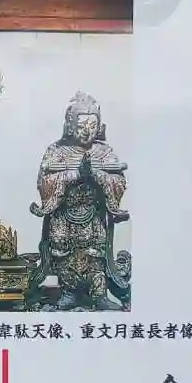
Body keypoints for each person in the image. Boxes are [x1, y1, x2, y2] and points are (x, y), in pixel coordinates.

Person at [29, 91, 129, 309]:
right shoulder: (57, 151)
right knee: (63, 252)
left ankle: (99, 293)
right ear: (70, 125)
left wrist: (97, 175)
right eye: (82, 125)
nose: (87, 131)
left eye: (92, 125)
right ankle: (69, 291)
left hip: (93, 214)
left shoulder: (104, 152)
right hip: (64, 214)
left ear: (99, 126)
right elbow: (45, 181)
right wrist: (75, 175)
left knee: (96, 253)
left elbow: (118, 180)